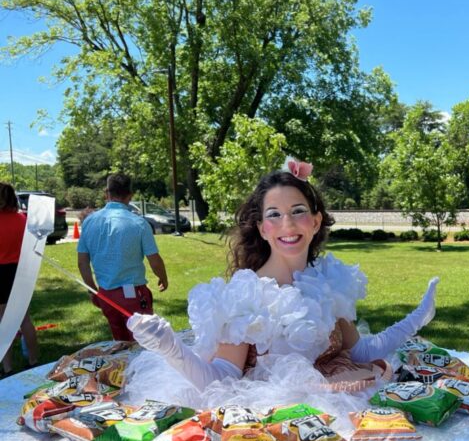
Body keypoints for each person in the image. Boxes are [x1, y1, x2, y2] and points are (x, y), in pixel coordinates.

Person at [125, 159, 438, 411]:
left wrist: (417, 318)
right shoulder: (244, 296)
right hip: (270, 416)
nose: (287, 224)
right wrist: (170, 348)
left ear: (316, 222)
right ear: (262, 229)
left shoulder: (329, 281)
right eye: (274, 215)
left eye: (298, 212)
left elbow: (362, 352)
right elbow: (219, 380)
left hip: (341, 404)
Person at [77, 173, 169, 342]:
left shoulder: (89, 222)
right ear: (130, 195)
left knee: (121, 344)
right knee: (146, 346)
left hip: (106, 295)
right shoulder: (139, 223)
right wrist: (163, 277)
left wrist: (92, 290)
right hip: (133, 295)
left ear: (107, 193)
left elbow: (82, 262)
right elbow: (154, 259)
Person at [0, 182, 39, 376]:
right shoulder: (23, 219)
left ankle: (7, 367)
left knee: (2, 323)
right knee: (25, 320)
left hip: (1, 273)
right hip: (21, 271)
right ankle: (33, 360)